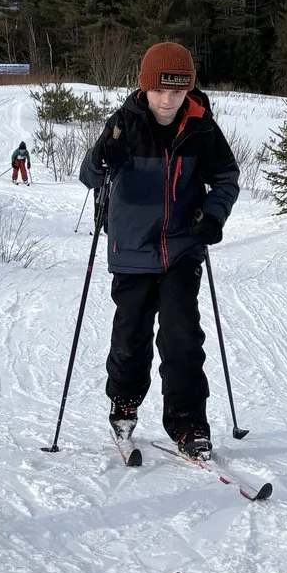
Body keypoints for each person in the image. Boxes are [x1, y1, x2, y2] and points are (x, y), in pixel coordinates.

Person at [80, 42, 241, 459]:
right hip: (132, 248)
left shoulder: (202, 127)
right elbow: (89, 174)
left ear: (188, 89)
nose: (168, 101)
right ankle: (124, 405)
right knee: (131, 337)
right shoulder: (124, 123)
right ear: (144, 88)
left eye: (177, 91)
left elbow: (226, 178)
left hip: (182, 248)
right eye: (159, 92)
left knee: (182, 336)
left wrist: (213, 215)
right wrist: (102, 156)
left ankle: (188, 425)